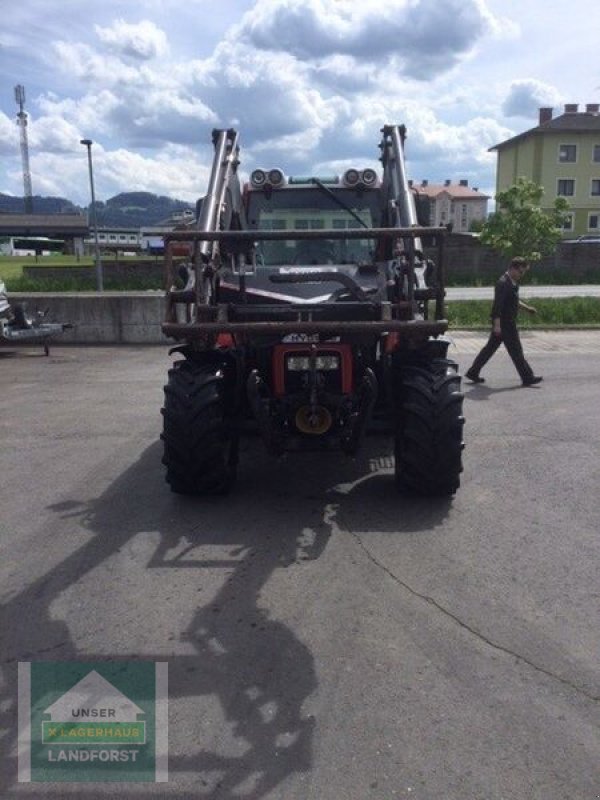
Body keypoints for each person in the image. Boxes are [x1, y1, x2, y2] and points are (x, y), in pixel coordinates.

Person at [465, 256, 543, 387]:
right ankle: (527, 377)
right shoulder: (503, 283)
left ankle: (473, 372)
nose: (521, 275)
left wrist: (527, 308)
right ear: (513, 268)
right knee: (516, 350)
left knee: (489, 349)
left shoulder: (511, 282)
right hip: (505, 324)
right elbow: (498, 306)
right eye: (521, 272)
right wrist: (497, 325)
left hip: (506, 323)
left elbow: (513, 301)